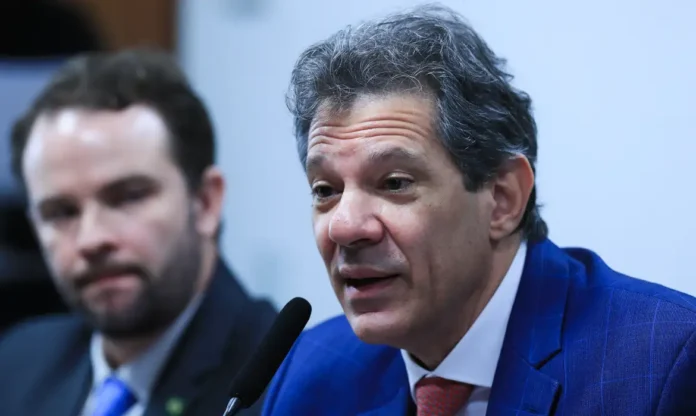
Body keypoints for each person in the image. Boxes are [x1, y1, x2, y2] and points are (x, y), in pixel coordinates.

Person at [262, 5, 696, 416]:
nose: (343, 226)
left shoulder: (663, 363)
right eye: (326, 190)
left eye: (395, 183)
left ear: (503, 199)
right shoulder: (311, 376)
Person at [0, 49, 278, 416]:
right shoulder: (19, 365)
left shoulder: (282, 384)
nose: (91, 240)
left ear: (205, 202)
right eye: (61, 212)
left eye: (128, 197)